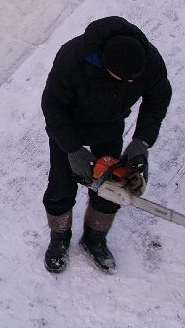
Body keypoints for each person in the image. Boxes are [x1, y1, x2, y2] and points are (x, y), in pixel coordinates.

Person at [40, 16, 172, 274]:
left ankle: (95, 236)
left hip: (110, 126)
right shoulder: (73, 58)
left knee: (114, 184)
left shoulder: (149, 61)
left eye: (134, 80)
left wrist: (142, 141)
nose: (129, 84)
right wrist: (72, 149)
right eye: (123, 78)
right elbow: (52, 107)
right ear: (105, 65)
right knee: (61, 184)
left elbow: (158, 99)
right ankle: (59, 237)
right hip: (69, 127)